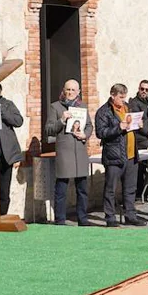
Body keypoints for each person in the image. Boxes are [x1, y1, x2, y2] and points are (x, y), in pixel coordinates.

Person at [94, 84, 148, 227]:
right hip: (114, 156)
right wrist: (119, 128)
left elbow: (134, 126)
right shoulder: (104, 112)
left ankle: (130, 215)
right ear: (112, 95)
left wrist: (139, 125)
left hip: (131, 154)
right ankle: (110, 218)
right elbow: (101, 133)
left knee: (130, 188)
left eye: (124, 97)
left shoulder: (128, 108)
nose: (123, 100)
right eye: (120, 97)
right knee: (110, 188)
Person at [46, 79, 95, 226]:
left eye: (73, 90)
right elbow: (48, 129)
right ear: (63, 90)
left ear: (78, 92)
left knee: (82, 189)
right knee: (61, 188)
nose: (70, 93)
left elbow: (89, 126)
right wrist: (61, 120)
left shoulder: (83, 107)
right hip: (64, 152)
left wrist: (85, 135)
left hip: (80, 151)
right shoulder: (55, 107)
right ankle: (60, 220)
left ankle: (83, 218)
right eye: (68, 90)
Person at [0, 82, 24, 216]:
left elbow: (18, 121)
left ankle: (2, 216)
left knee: (4, 190)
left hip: (7, 155)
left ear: (0, 91)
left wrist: (1, 111)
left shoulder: (7, 104)